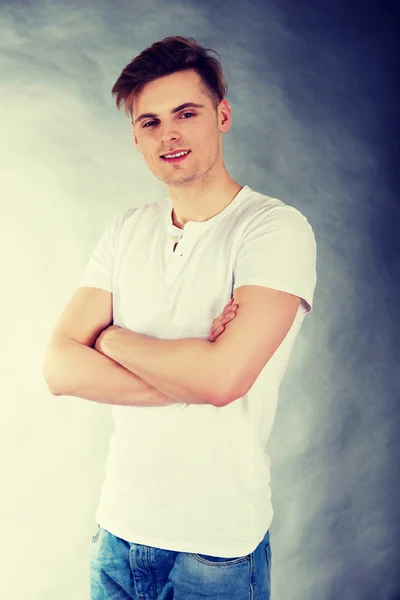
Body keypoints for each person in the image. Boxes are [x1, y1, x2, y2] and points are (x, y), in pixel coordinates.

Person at [43, 36, 317, 600]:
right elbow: (59, 368)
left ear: (222, 115)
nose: (168, 134)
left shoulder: (274, 229)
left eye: (186, 114)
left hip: (214, 547)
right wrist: (189, 370)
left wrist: (109, 337)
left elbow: (219, 382)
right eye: (149, 122)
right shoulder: (126, 230)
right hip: (117, 533)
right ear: (136, 137)